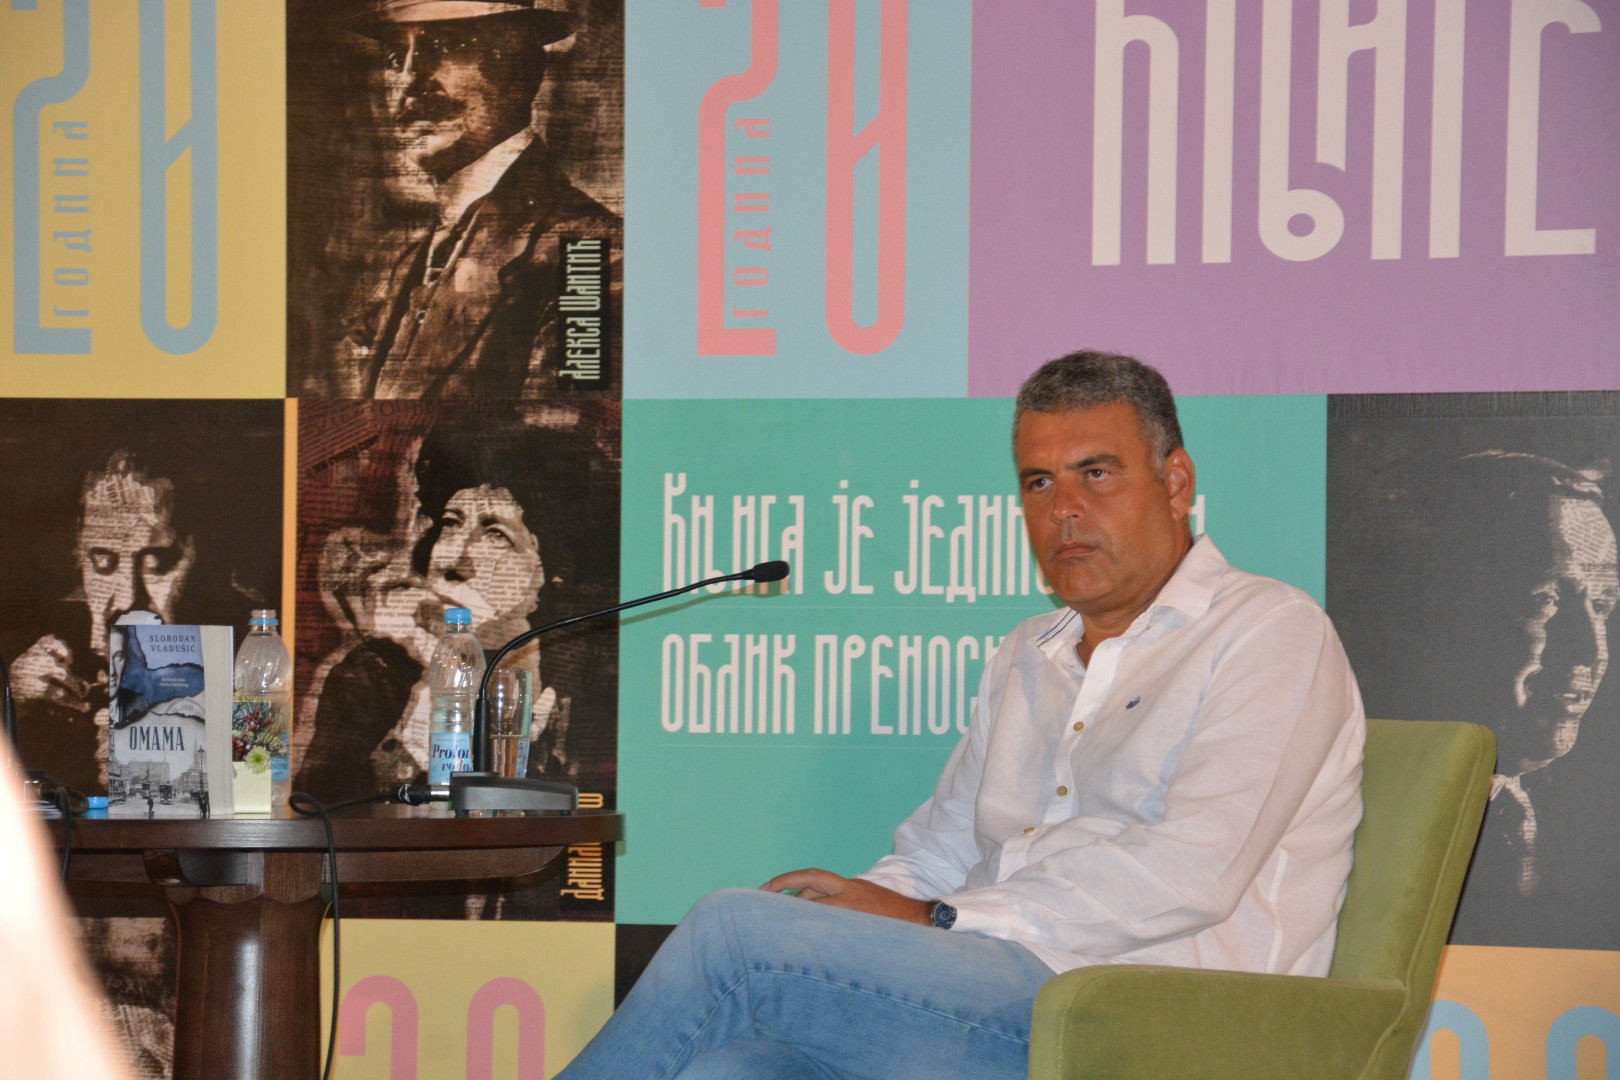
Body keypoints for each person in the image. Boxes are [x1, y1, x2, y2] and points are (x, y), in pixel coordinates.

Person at [558, 352, 1366, 1080]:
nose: (1064, 509)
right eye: (1038, 483)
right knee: (734, 1068)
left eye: (1096, 473)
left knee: (736, 936)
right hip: (992, 987)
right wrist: (858, 911)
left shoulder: (1268, 629)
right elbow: (943, 847)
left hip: (1158, 1019)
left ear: (1176, 482)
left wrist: (938, 918)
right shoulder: (1028, 652)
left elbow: (1192, 872)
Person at [1345, 449, 1617, 944]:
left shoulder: (1587, 829)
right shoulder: (1355, 805)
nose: (1592, 649)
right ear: (1439, 609)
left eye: (1604, 605)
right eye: (1545, 599)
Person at [332, 0, 622, 399]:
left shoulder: (586, 252)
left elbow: (567, 432)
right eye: (396, 57)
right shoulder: (405, 261)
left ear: (520, 73)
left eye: (447, 45)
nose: (410, 78)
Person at [298, 421, 569, 802]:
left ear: (551, 573)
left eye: (496, 535)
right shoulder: (372, 678)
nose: (455, 559)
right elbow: (317, 808)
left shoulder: (574, 702)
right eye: (451, 524)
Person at [8, 451, 199, 793]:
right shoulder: (37, 641)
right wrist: (13, 710)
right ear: (79, 555)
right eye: (103, 560)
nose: (126, 598)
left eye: (156, 563)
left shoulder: (242, 650)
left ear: (195, 554)